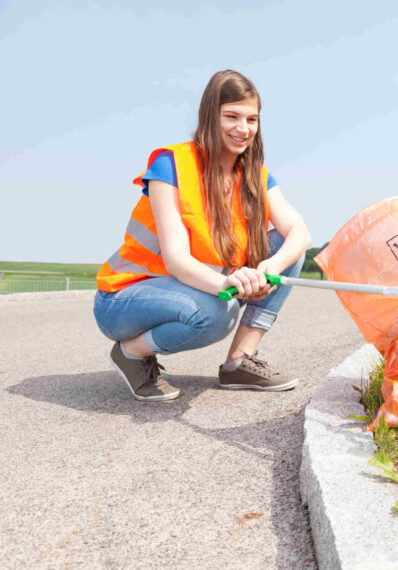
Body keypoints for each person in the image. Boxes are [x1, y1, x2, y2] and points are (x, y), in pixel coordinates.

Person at [93, 70, 311, 402]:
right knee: (212, 316)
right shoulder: (172, 164)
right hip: (128, 297)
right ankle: (131, 352)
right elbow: (176, 260)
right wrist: (230, 285)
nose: (244, 128)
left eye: (251, 119)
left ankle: (239, 362)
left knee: (288, 252)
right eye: (232, 117)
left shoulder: (255, 176)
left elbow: (299, 232)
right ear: (210, 116)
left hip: (194, 289)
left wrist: (270, 267)